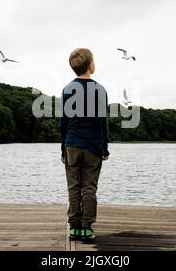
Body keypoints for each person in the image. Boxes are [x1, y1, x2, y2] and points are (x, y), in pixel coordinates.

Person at [59, 48, 110, 243]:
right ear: (90, 65)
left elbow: (63, 123)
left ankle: (75, 228)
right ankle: (87, 228)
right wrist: (105, 146)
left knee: (73, 187)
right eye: (94, 60)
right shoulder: (100, 89)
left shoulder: (67, 89)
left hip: (72, 144)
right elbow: (102, 122)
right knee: (89, 188)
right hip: (93, 146)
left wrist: (63, 149)